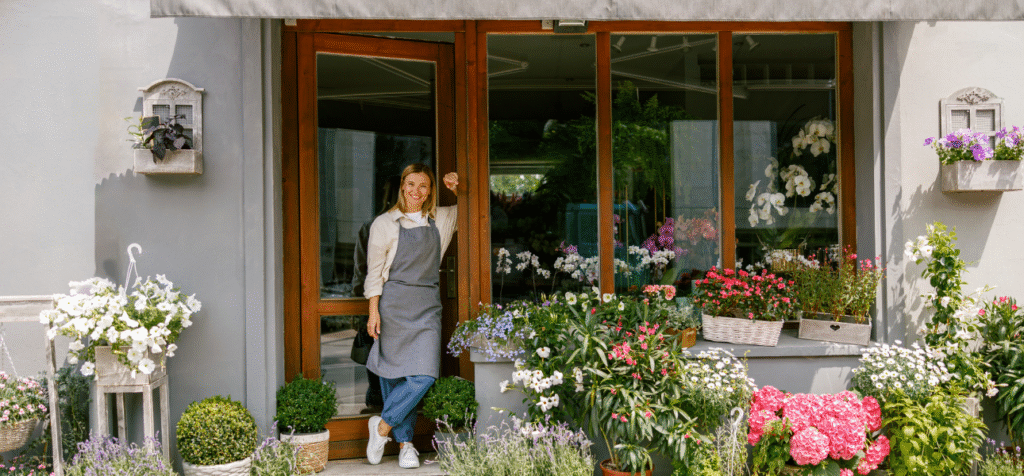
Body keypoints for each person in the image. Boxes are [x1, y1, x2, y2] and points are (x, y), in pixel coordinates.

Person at [363, 163, 458, 469]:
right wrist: (373, 312)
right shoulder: (385, 223)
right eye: (411, 184)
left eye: (424, 186)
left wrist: (458, 186)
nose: (417, 191)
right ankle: (406, 446)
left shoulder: (441, 218)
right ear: (402, 186)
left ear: (431, 191)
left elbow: (477, 207)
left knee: (423, 376)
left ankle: (381, 427)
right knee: (394, 376)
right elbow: (374, 274)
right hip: (394, 305)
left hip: (427, 306)